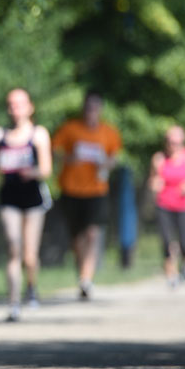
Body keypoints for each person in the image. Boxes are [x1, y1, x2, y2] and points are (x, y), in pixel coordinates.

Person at [0, 88, 52, 322]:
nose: (15, 108)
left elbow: (46, 169)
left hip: (33, 199)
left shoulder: (39, 135)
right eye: (11, 104)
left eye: (20, 104)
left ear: (30, 107)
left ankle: (31, 286)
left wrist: (32, 172)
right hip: (8, 198)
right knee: (13, 247)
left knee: (29, 255)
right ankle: (13, 303)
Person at [52, 93, 122, 300]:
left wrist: (105, 164)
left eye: (95, 107)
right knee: (77, 237)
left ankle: (86, 278)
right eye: (88, 107)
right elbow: (54, 151)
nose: (91, 111)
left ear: (100, 109)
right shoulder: (70, 128)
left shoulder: (109, 132)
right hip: (71, 189)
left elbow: (114, 158)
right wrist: (68, 157)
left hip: (97, 190)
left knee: (92, 233)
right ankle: (82, 270)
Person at [149, 125, 185, 287]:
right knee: (167, 241)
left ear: (183, 142)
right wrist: (155, 185)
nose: (173, 146)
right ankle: (171, 274)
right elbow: (153, 180)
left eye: (177, 142)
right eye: (170, 142)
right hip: (164, 204)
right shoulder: (159, 159)